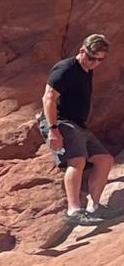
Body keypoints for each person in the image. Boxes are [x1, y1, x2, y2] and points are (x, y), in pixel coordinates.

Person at [42, 33, 114, 223]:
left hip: (77, 124)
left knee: (104, 159)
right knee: (77, 160)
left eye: (100, 60)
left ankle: (94, 207)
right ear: (82, 50)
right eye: (91, 58)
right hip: (61, 121)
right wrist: (53, 129)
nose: (95, 63)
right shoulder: (65, 69)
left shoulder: (87, 69)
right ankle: (73, 211)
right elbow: (48, 98)